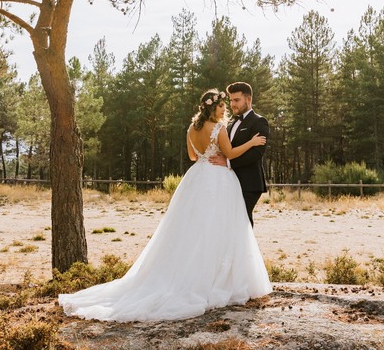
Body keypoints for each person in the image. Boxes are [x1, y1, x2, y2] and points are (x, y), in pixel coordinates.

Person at [58, 89, 272, 322]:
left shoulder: (191, 129)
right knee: (216, 227)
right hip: (218, 180)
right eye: (222, 106)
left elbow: (192, 156)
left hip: (197, 177)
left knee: (192, 228)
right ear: (213, 108)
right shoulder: (219, 128)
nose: (226, 109)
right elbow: (229, 153)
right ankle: (215, 278)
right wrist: (250, 142)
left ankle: (192, 272)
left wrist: (208, 154)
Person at [225, 81, 269, 225]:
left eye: (236, 100)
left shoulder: (259, 122)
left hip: (250, 182)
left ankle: (245, 248)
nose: (232, 104)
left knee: (241, 219)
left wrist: (228, 162)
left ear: (248, 99)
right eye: (231, 100)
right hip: (230, 181)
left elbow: (256, 154)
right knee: (233, 220)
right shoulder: (231, 123)